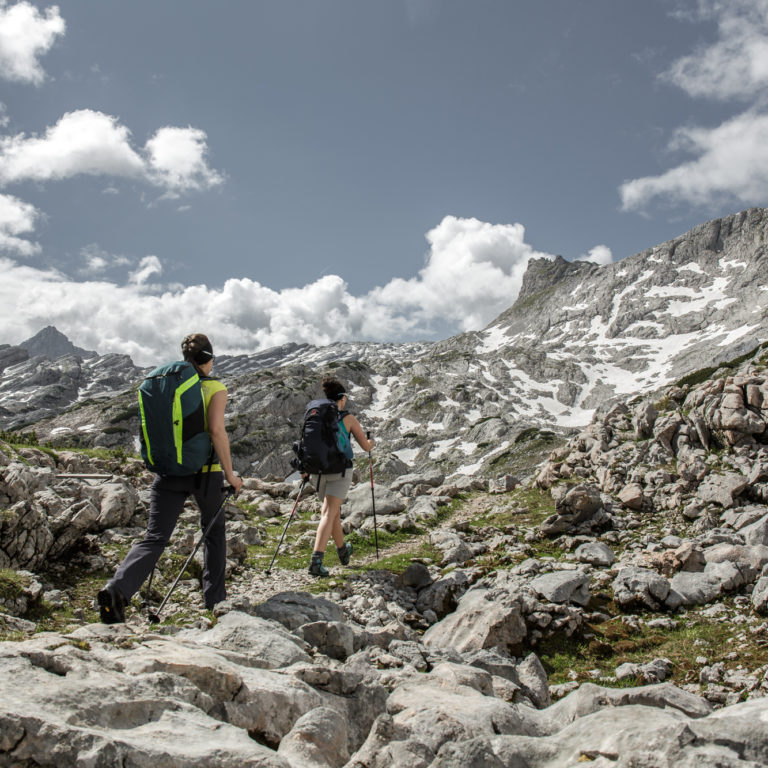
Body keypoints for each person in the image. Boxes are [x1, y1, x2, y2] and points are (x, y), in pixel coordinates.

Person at [97, 333, 243, 623]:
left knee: (155, 537)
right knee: (213, 534)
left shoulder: (167, 382)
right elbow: (216, 431)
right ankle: (215, 602)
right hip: (205, 475)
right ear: (207, 359)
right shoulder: (215, 387)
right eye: (212, 358)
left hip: (167, 471)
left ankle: (117, 589)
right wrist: (231, 474)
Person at [308, 376, 374, 577]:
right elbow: (365, 446)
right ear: (342, 398)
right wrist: (372, 442)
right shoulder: (348, 418)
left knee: (332, 512)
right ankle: (316, 560)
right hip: (339, 471)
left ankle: (343, 551)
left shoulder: (315, 415)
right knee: (328, 512)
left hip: (317, 472)